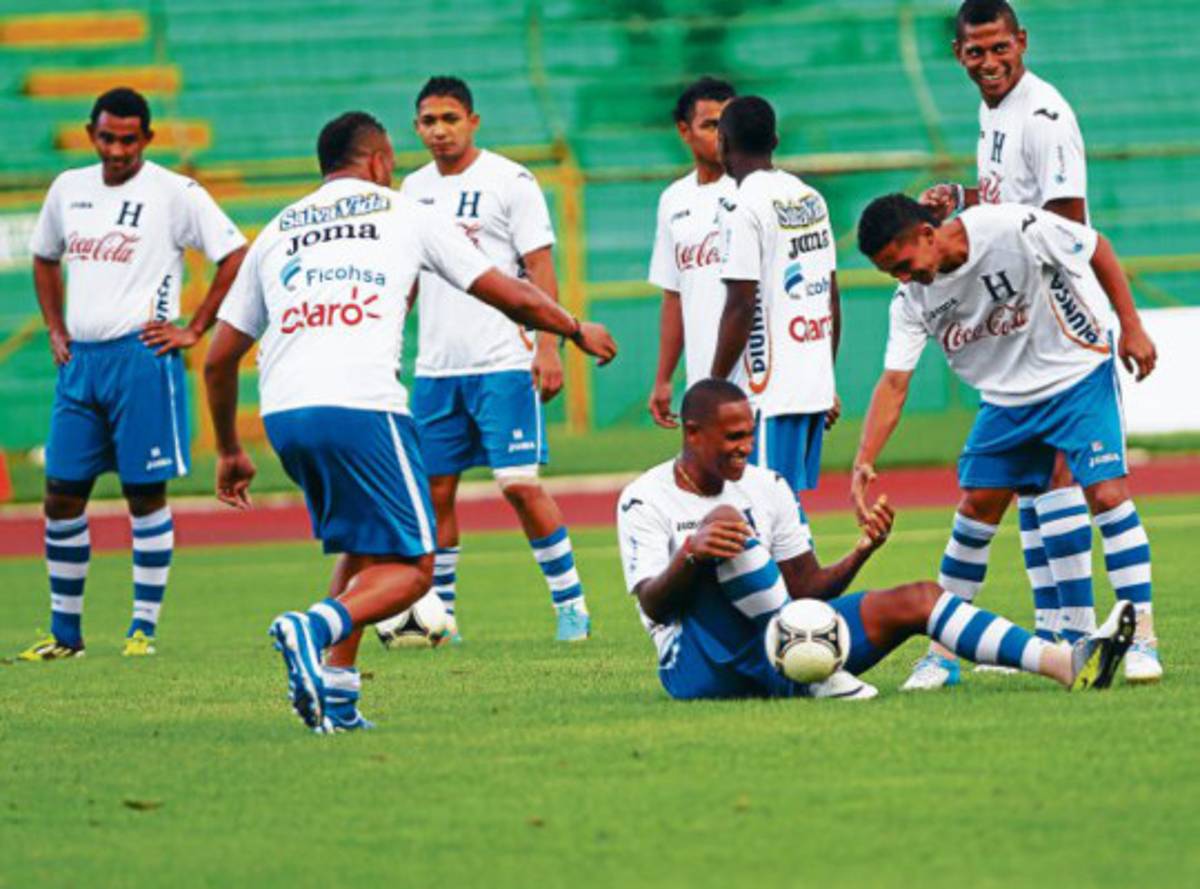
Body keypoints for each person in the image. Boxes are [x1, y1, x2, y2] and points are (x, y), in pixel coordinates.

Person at [204, 111, 616, 733]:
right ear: (376, 160)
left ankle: (338, 702)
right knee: (414, 568)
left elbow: (216, 360)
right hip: (363, 405)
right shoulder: (406, 212)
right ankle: (312, 626)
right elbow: (503, 290)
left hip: (285, 411)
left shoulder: (279, 227)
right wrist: (574, 329)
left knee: (364, 547)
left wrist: (231, 450)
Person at [616, 379, 1135, 701]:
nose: (746, 448)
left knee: (919, 598)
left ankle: (1066, 664)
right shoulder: (644, 498)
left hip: (785, 645)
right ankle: (817, 677)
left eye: (750, 435)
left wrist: (862, 551)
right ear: (691, 433)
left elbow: (807, 592)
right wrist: (692, 553)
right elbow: (656, 608)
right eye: (733, 438)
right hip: (700, 666)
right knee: (729, 525)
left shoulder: (767, 484)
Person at [852, 193, 1161, 689]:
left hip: (1076, 376)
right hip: (1005, 400)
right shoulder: (911, 299)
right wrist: (863, 460)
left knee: (1106, 493)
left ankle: (1143, 639)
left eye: (903, 265)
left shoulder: (1010, 228)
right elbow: (894, 382)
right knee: (976, 507)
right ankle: (942, 654)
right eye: (891, 273)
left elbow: (1096, 245)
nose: (903, 278)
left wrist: (1132, 325)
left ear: (928, 235)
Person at [17, 87, 248, 661]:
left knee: (144, 494)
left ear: (146, 137)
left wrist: (193, 328)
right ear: (91, 134)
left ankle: (142, 629)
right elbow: (44, 257)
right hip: (81, 363)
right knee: (60, 495)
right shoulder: (69, 189)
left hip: (143, 359)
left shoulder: (175, 193)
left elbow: (236, 255)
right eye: (106, 137)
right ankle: (65, 635)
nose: (117, 149)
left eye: (128, 139)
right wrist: (54, 327)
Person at [913, 0, 1102, 687]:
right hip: (1016, 306)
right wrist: (962, 198)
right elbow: (1005, 195)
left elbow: (1067, 223)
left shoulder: (1044, 116)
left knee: (1031, 479)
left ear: (1022, 41)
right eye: (975, 53)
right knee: (1026, 481)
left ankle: (1065, 633)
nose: (989, 63)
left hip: (1047, 306)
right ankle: (1058, 631)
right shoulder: (994, 110)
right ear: (959, 55)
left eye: (1000, 49)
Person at [401, 76, 590, 642]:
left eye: (450, 119)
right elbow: (404, 278)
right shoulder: (410, 190)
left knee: (517, 483)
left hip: (504, 360)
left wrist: (549, 345)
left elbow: (540, 268)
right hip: (436, 370)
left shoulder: (511, 180)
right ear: (417, 128)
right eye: (429, 121)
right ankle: (444, 617)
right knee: (436, 491)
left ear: (473, 121)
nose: (440, 130)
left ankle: (571, 605)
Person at [709, 96, 840, 509]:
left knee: (766, 516)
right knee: (785, 510)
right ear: (776, 140)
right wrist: (826, 377)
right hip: (811, 385)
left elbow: (741, 306)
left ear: (722, 143)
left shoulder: (743, 205)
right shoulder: (809, 197)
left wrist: (713, 387)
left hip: (769, 394)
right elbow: (830, 296)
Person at [646, 76, 737, 427]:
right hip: (703, 376)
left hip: (760, 371)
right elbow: (674, 296)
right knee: (714, 479)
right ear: (684, 131)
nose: (721, 135)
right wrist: (664, 378)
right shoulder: (673, 200)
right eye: (710, 125)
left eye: (727, 124)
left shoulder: (755, 189)